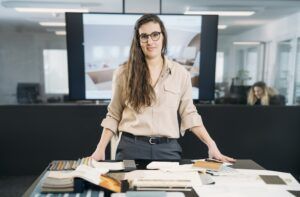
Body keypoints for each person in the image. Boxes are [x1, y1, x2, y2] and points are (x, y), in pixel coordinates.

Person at [91, 14, 235, 163]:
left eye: (155, 35)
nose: (150, 41)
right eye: (144, 36)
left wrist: (211, 145)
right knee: (129, 187)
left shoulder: (181, 73)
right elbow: (114, 115)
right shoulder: (123, 73)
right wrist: (100, 149)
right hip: (131, 149)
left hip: (167, 150)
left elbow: (189, 114)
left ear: (163, 37)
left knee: (169, 187)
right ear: (138, 41)